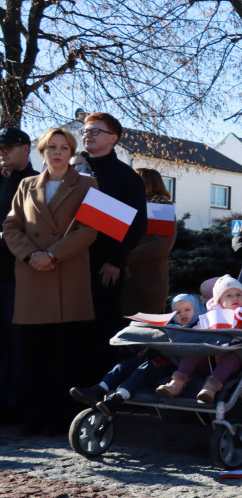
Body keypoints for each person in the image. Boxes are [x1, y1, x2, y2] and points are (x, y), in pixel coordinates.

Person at [3, 127, 98, 432]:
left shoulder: (88, 183)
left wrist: (53, 255)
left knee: (65, 356)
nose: (58, 153)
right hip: (32, 276)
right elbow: (12, 226)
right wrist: (31, 255)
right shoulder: (27, 184)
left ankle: (60, 420)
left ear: (71, 153)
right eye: (51, 147)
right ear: (41, 152)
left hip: (67, 275)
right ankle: (33, 418)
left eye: (64, 148)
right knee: (32, 355)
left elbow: (88, 230)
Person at [77, 113, 148, 379]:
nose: (87, 135)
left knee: (101, 329)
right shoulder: (76, 172)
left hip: (104, 266)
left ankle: (101, 388)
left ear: (113, 138)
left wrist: (115, 260)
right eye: (85, 130)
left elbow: (136, 224)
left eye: (95, 130)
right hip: (72, 263)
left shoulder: (126, 176)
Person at [70, 293, 202, 414]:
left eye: (187, 310)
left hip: (176, 364)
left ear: (197, 309)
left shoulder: (200, 325)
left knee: (145, 368)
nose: (182, 314)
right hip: (161, 355)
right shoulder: (172, 325)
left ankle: (117, 400)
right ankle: (99, 389)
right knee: (124, 365)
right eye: (177, 312)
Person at [156, 275, 242, 403]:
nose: (234, 297)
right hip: (207, 361)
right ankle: (177, 383)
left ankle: (210, 388)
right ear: (219, 300)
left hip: (228, 366)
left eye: (238, 295)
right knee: (194, 350)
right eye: (228, 295)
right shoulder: (210, 316)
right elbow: (196, 333)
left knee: (233, 355)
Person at [0, 126, 38, 425]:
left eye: (7, 147)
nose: (2, 151)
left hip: (21, 276)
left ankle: (17, 405)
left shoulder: (37, 183)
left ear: (25, 149)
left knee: (19, 345)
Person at [121, 168, 176, 315]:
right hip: (125, 278)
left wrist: (124, 257)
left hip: (149, 280)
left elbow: (160, 245)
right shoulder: (131, 206)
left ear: (150, 184)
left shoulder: (161, 208)